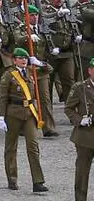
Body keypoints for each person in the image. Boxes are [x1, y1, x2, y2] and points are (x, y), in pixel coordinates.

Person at [0, 47, 48, 192]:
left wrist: (39, 63)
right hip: (13, 113)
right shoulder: (9, 75)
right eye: (20, 58)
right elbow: (3, 97)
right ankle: (12, 179)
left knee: (33, 146)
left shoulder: (32, 71)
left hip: (30, 114)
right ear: (14, 60)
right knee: (11, 147)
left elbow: (48, 70)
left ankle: (38, 181)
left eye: (25, 58)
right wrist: (1, 117)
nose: (23, 60)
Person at [64, 57, 94, 201]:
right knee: (82, 172)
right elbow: (69, 108)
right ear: (90, 71)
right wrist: (79, 120)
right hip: (85, 136)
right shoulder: (80, 87)